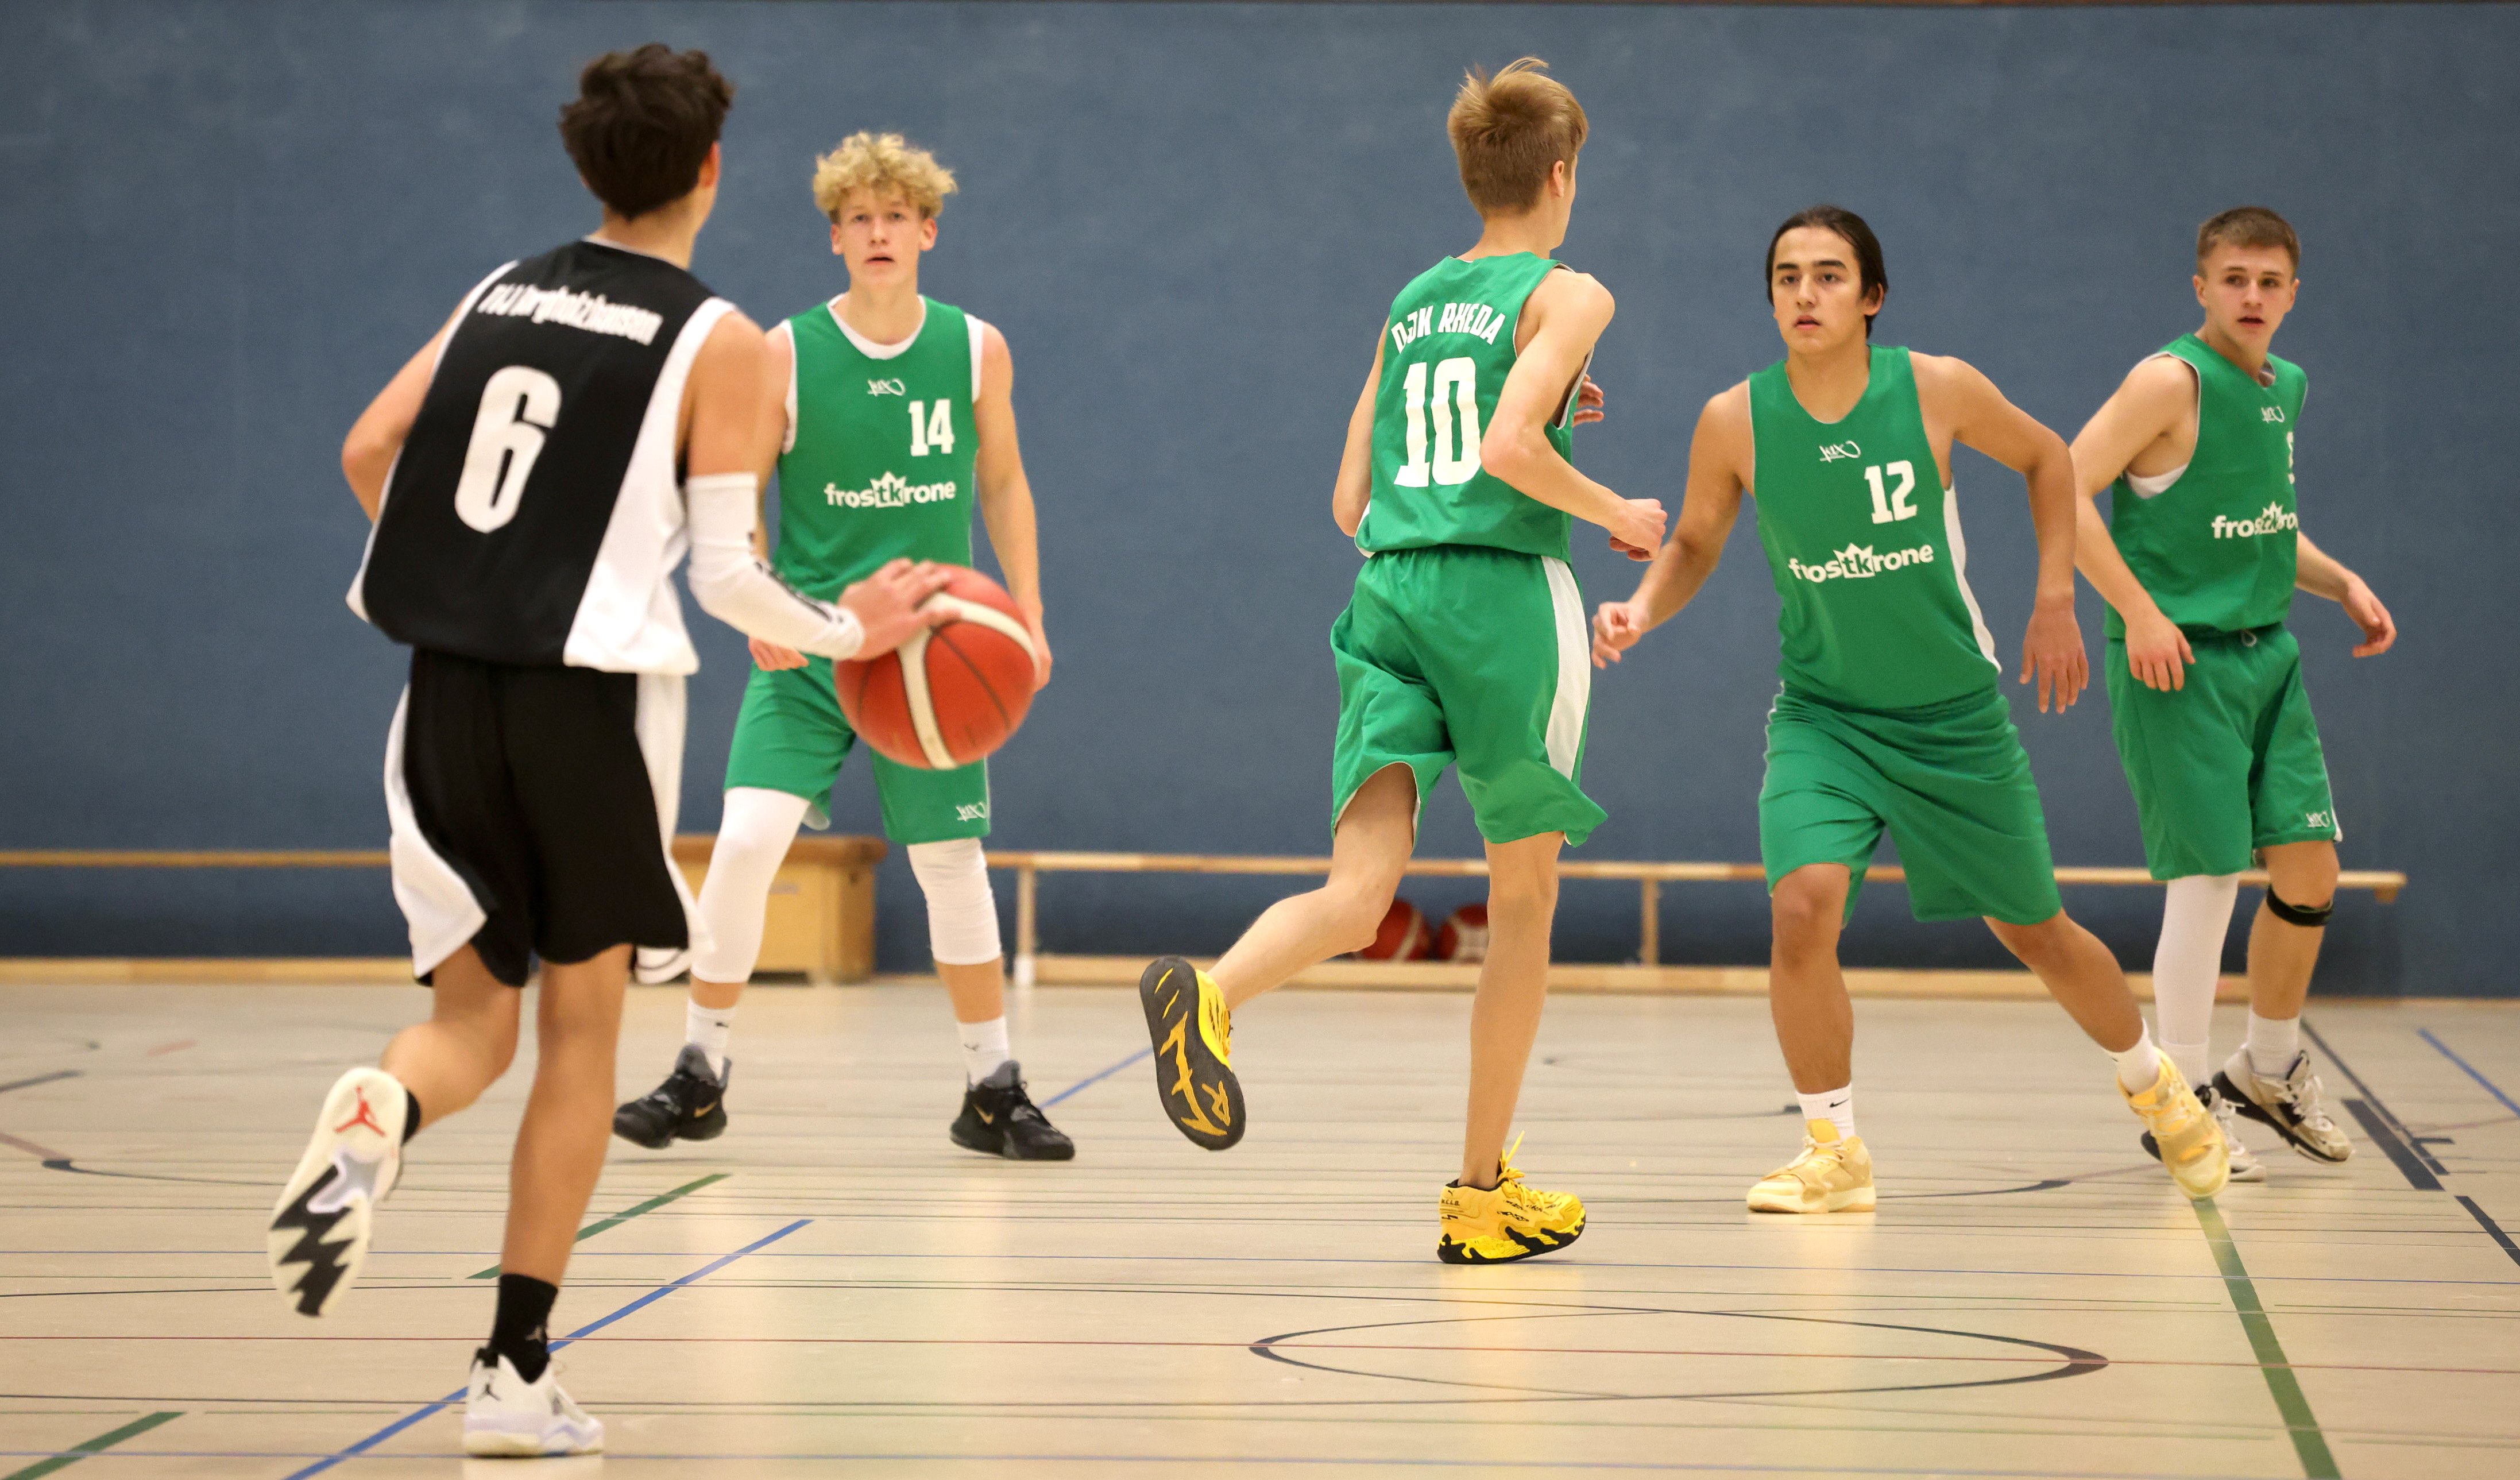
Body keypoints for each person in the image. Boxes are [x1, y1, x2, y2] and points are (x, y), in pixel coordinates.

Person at [270, 45, 948, 1456]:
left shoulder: (495, 292)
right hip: (585, 709)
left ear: (587, 166)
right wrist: (854, 628)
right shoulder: (724, 339)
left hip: (442, 696)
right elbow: (727, 575)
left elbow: (367, 449)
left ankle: (385, 1102)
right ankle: (512, 1374)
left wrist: (477, 573)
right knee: (580, 1039)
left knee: (468, 1026)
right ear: (712, 168)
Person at [1591, 205, 2228, 1214]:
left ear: (1872, 297)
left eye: (1829, 275)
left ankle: (2156, 1081)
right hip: (1825, 717)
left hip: (1952, 720)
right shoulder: (1735, 419)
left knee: (2037, 931)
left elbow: (2049, 459)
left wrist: (2055, 597)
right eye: (1788, 277)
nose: (1805, 293)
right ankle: (1834, 1147)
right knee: (1802, 906)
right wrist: (1639, 609)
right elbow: (1697, 544)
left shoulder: (1935, 387)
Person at [1135, 58, 1665, 1263]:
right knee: (1523, 901)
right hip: (1499, 600)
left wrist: (1480, 468)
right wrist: (1617, 512)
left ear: (1473, 174)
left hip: (1386, 592)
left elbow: (1347, 500)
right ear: (1562, 175)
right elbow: (1511, 444)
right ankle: (1480, 1193)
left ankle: (1212, 994)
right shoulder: (1571, 292)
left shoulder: (1414, 301)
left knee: (1360, 892)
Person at [613, 130, 1070, 1162]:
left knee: (951, 863)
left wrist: (1029, 614)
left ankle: (992, 1087)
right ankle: (699, 1071)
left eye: (895, 216)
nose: (878, 233)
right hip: (814, 645)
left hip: (931, 651)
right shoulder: (783, 351)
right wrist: (763, 608)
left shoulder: (976, 348)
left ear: (928, 231)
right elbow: (741, 494)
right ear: (834, 238)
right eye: (858, 218)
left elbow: (1004, 482)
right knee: (743, 847)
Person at [2069, 206, 2393, 1177]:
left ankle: (2271, 1065)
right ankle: (2186, 1102)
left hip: (2268, 656)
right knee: (2208, 879)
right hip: (2177, 660)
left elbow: (2259, 521)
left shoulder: (2283, 387)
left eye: (2270, 281)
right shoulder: (2168, 381)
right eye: (2235, 278)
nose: (2252, 295)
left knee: (2310, 869)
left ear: (2293, 294)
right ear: (2202, 287)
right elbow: (2061, 489)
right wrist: (2139, 610)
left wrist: (2340, 581)